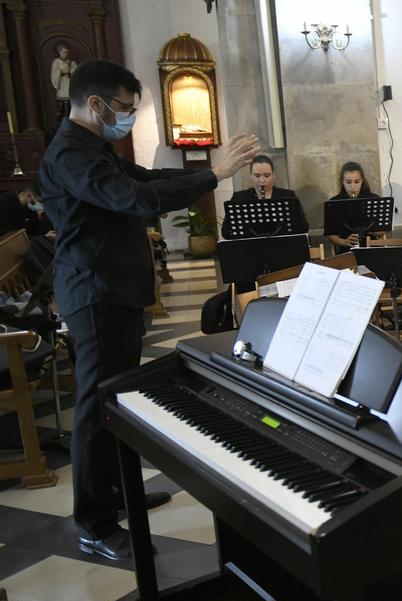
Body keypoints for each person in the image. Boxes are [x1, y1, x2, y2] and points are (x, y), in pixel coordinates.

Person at [39, 59, 258, 561]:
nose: (129, 117)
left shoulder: (95, 147)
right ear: (94, 104)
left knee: (115, 398)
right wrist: (215, 173)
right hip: (95, 293)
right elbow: (135, 199)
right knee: (95, 411)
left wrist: (208, 173)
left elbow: (145, 177)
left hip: (113, 290)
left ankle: (118, 494)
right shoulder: (71, 155)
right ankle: (94, 523)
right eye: (124, 108)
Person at [229, 154, 309, 232]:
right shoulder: (239, 198)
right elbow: (227, 231)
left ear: (274, 175)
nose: (262, 180)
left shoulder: (288, 196)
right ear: (251, 176)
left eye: (267, 176)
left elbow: (303, 227)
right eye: (257, 176)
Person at [324, 161, 382, 253]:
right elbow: (331, 235)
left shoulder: (373, 199)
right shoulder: (334, 202)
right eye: (348, 182)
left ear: (362, 180)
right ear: (342, 181)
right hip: (347, 249)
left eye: (357, 181)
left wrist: (369, 229)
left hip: (371, 247)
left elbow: (381, 232)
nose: (353, 187)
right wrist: (344, 242)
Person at [49, 43, 76, 124]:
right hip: (62, 85)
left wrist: (70, 71)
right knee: (62, 108)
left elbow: (76, 72)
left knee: (71, 107)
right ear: (59, 52)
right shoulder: (56, 62)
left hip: (70, 84)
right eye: (63, 52)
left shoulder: (72, 62)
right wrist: (61, 72)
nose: (65, 54)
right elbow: (54, 74)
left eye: (67, 52)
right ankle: (62, 123)